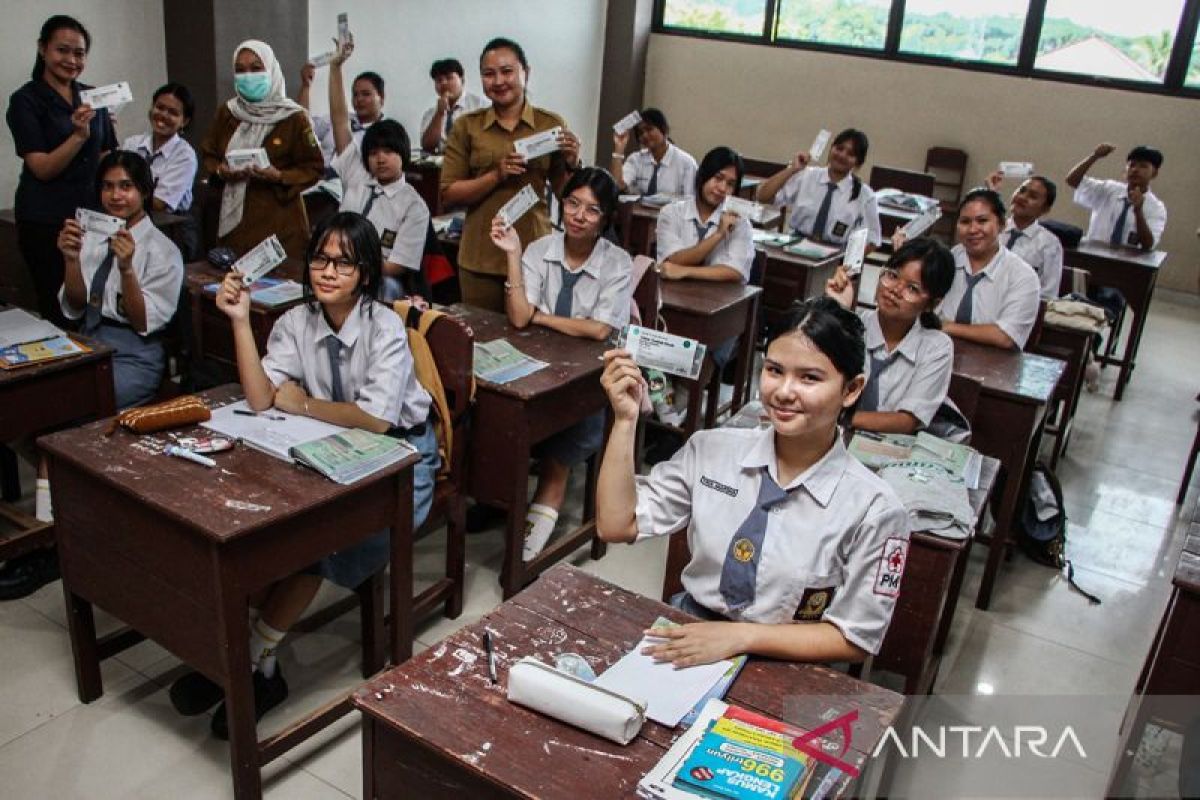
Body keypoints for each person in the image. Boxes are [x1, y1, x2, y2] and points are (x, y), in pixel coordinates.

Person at [169, 212, 439, 737]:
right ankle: (254, 666)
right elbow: (259, 396)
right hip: (329, 449)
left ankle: (247, 663)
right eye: (320, 258)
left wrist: (305, 405)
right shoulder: (297, 320)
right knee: (274, 530)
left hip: (398, 459)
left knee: (325, 545)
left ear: (365, 272)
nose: (329, 271)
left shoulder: (384, 326)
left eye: (344, 262)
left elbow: (377, 418)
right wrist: (241, 320)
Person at [596, 296, 910, 666]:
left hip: (790, 662)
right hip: (691, 631)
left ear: (852, 389)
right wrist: (624, 421)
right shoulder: (712, 450)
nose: (784, 391)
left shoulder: (875, 508)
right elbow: (616, 524)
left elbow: (854, 637)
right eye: (775, 370)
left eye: (810, 377)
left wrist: (739, 636)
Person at [490, 167, 632, 560]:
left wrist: (541, 317)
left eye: (591, 210)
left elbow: (599, 329)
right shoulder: (539, 250)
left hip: (591, 376)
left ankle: (543, 502)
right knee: (500, 415)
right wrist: (514, 255)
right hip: (539, 366)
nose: (578, 215)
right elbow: (519, 316)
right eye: (572, 203)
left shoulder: (616, 263)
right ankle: (501, 496)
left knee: (565, 442)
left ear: (605, 219)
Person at [440, 37, 582, 312]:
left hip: (535, 253)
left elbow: (567, 195)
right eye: (489, 74)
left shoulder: (550, 124)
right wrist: (497, 174)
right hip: (480, 257)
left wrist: (573, 163)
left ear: (525, 73)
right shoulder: (467, 127)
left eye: (507, 71)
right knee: (480, 341)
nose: (499, 81)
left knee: (533, 338)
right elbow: (449, 194)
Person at [6, 14, 117, 328]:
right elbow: (41, 168)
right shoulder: (25, 101)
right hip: (46, 219)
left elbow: (107, 156)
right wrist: (79, 136)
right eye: (62, 50)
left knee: (95, 302)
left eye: (79, 53)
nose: (71, 60)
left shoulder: (93, 97)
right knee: (57, 308)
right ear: (43, 49)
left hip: (93, 218)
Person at [58, 150, 184, 409]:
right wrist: (71, 259)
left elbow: (142, 322)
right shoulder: (92, 236)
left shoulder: (163, 251)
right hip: (87, 341)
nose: (116, 196)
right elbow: (76, 305)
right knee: (39, 393)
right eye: (108, 187)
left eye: (126, 186)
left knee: (74, 402)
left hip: (134, 354)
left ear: (145, 191)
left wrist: (127, 271)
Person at [199, 39, 324, 259]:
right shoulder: (227, 113)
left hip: (281, 223)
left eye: (256, 68)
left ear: (272, 70)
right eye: (240, 70)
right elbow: (209, 152)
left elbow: (314, 167)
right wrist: (221, 170)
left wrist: (279, 176)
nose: (248, 76)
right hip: (234, 225)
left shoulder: (294, 117)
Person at [328, 40, 429, 302]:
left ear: (403, 155)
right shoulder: (357, 175)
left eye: (388, 152)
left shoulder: (413, 206)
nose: (380, 159)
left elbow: (398, 266)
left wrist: (354, 267)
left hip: (377, 279)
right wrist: (335, 67)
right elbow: (339, 119)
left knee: (388, 287)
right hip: (336, 267)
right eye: (373, 153)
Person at [825, 237, 955, 434]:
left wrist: (839, 417)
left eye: (912, 288)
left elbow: (906, 421)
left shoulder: (936, 347)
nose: (894, 290)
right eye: (892, 276)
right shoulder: (854, 325)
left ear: (933, 304)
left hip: (890, 450)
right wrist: (838, 309)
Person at [655, 146, 754, 368]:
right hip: (675, 303)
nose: (722, 188)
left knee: (703, 355)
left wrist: (685, 271)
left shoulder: (740, 222)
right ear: (703, 175)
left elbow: (734, 271)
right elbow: (673, 259)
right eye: (718, 178)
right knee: (655, 342)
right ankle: (663, 391)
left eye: (730, 184)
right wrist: (718, 235)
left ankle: (684, 394)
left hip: (720, 311)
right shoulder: (672, 213)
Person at [936, 188, 1040, 350]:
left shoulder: (1022, 276)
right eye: (965, 222)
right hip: (938, 352)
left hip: (994, 365)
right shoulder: (947, 259)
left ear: (1002, 225)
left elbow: (1005, 337)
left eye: (982, 221)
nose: (972, 230)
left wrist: (945, 326)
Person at [755, 128, 881, 252]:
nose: (842, 155)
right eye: (839, 148)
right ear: (831, 148)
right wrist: (793, 169)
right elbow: (762, 196)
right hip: (794, 247)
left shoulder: (865, 195)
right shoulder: (806, 175)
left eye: (851, 154)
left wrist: (846, 261)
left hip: (834, 256)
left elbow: (873, 240)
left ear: (858, 162)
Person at [121, 82, 200, 259]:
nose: (163, 115)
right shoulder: (132, 144)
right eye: (160, 107)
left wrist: (127, 191)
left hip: (171, 229)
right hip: (133, 224)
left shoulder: (184, 155)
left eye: (173, 112)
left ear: (184, 121)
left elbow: (159, 203)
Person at [1066, 143, 1166, 251]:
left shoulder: (1156, 207)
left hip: (1127, 264)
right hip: (1092, 256)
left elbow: (1148, 245)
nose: (1135, 170)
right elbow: (1072, 180)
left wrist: (1138, 211)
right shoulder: (1109, 189)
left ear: (1154, 173)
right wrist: (1095, 156)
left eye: (1143, 166)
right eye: (1132, 165)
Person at [298, 53, 387, 171]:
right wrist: (306, 86)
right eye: (355, 95)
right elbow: (303, 126)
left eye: (366, 94)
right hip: (316, 177)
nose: (359, 99)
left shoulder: (385, 133)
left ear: (381, 97)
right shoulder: (336, 120)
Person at [985, 172, 1063, 300]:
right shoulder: (993, 228)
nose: (1022, 197)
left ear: (1045, 210)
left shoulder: (1049, 244)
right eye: (1021, 190)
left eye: (1032, 196)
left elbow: (1048, 294)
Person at [610, 108, 697, 197]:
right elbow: (618, 186)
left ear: (664, 129)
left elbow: (690, 201)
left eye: (649, 129)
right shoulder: (636, 159)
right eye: (640, 133)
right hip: (639, 210)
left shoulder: (687, 163)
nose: (645, 135)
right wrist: (619, 148)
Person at [419, 57, 486, 154]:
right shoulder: (431, 113)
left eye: (449, 78)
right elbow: (427, 146)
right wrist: (440, 114)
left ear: (462, 80)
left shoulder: (480, 106)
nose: (444, 83)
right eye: (439, 80)